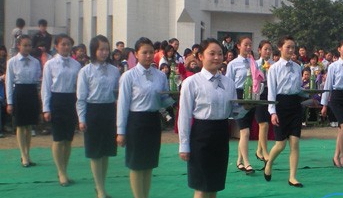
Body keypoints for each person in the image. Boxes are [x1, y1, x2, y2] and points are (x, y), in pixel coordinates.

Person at [178, 38, 249, 198]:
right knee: (202, 186)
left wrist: (245, 108)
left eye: (220, 54)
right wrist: (184, 145)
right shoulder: (191, 82)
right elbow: (184, 115)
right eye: (212, 54)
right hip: (201, 136)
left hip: (221, 134)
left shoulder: (228, 83)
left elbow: (232, 112)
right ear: (201, 56)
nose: (217, 57)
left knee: (214, 185)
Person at [117, 37, 174, 198]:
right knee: (136, 164)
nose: (148, 56)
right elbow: (122, 105)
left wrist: (176, 98)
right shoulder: (129, 76)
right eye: (144, 52)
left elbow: (163, 100)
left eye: (151, 52)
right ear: (136, 54)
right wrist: (120, 131)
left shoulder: (160, 76)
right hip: (136, 122)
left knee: (148, 164)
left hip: (153, 122)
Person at [76, 35, 120, 198]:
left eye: (106, 49)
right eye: (101, 49)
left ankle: (102, 186)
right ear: (94, 50)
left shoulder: (114, 70)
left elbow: (117, 94)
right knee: (95, 152)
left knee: (106, 151)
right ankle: (99, 188)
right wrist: (82, 119)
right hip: (92, 111)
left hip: (109, 111)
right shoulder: (85, 71)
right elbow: (81, 98)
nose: (104, 52)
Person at [263, 35, 304, 187]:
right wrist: (272, 112)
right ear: (280, 48)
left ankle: (292, 176)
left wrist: (310, 92)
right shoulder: (273, 68)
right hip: (280, 105)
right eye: (288, 47)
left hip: (295, 105)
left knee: (295, 142)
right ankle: (269, 163)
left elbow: (299, 88)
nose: (291, 50)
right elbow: (271, 92)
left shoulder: (297, 67)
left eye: (293, 47)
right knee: (280, 144)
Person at [42, 34, 82, 186]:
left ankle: (64, 169)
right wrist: (46, 108)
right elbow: (45, 87)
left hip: (71, 101)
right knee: (58, 139)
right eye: (63, 44)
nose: (66, 47)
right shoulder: (50, 64)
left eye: (68, 44)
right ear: (56, 46)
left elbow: (79, 88)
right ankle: (61, 172)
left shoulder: (76, 65)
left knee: (68, 139)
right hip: (57, 101)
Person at [6, 35, 41, 166]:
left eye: (29, 45)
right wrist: (10, 102)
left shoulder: (36, 62)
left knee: (29, 125)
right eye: (24, 45)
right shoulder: (12, 62)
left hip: (31, 92)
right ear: (18, 46)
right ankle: (23, 155)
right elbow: (9, 83)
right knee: (20, 125)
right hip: (19, 92)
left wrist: (39, 96)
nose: (27, 48)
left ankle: (28, 153)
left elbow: (38, 81)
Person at [321, 40, 343, 168]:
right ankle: (342, 155)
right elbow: (328, 86)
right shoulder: (333, 66)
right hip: (336, 97)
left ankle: (336, 155)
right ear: (339, 49)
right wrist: (324, 104)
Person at [225, 36, 256, 175]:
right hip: (238, 96)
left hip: (251, 96)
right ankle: (247, 162)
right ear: (238, 46)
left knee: (246, 131)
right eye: (246, 45)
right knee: (245, 132)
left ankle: (239, 161)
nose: (248, 47)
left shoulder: (254, 62)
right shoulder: (233, 64)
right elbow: (228, 82)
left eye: (250, 45)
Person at [254, 40, 274, 162]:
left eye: (270, 49)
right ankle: (265, 152)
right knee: (263, 124)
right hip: (259, 94)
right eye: (265, 49)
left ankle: (259, 150)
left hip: (270, 94)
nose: (268, 51)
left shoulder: (274, 64)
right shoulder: (255, 64)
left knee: (266, 125)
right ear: (259, 50)